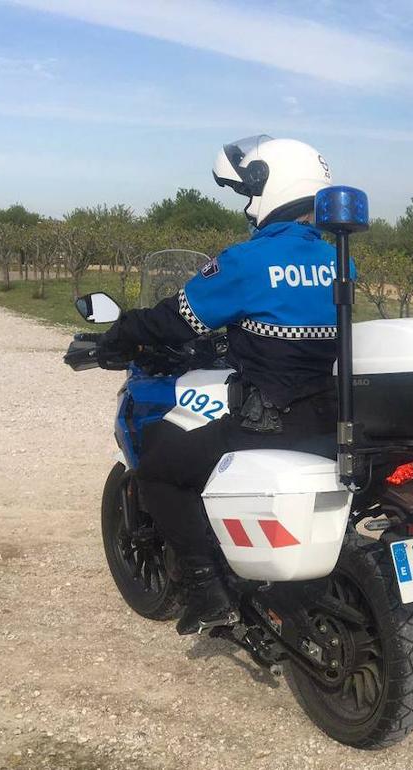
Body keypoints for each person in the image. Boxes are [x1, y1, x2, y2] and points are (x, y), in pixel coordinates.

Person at [97, 135, 340, 635]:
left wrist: (121, 334)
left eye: (250, 192)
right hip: (332, 416)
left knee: (161, 465)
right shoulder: (341, 261)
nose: (248, 206)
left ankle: (205, 589)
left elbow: (174, 319)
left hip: (270, 420)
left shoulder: (248, 261)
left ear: (271, 186)